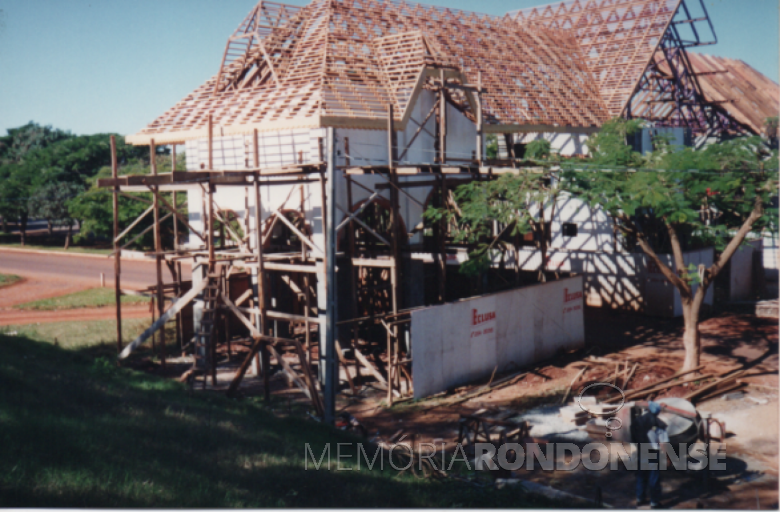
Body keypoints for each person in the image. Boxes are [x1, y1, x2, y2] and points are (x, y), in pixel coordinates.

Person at [630, 401, 668, 508]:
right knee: (653, 477)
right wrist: (667, 457)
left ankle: (640, 498)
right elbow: (663, 443)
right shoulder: (659, 424)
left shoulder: (638, 421)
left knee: (641, 476)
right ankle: (654, 502)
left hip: (641, 451)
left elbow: (633, 436)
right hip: (653, 453)